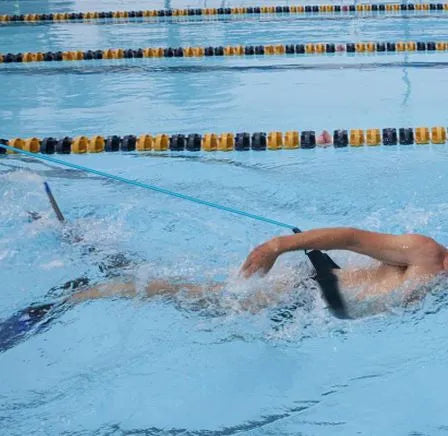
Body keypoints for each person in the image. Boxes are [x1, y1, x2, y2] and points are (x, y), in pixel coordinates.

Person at [70, 227, 448, 315]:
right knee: (207, 301)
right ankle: (91, 291)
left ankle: (122, 269)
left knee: (198, 295)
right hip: (309, 295)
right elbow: (349, 238)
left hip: (318, 309)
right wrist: (275, 247)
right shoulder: (425, 252)